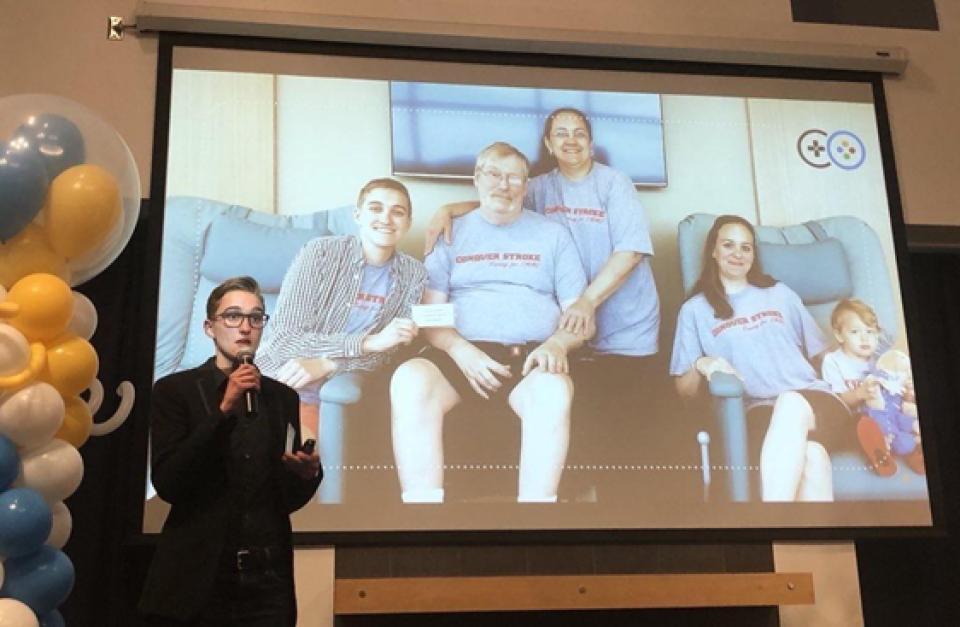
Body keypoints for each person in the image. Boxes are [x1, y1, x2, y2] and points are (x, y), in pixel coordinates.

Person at [390, 142, 589, 503]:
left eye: (514, 177)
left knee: (553, 391)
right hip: (460, 356)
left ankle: (536, 519)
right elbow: (430, 316)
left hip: (532, 358)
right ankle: (421, 515)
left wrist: (558, 343)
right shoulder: (449, 234)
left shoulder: (554, 235)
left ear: (526, 186)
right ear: (477, 179)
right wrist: (460, 350)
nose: (504, 184)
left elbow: (581, 316)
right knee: (410, 378)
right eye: (494, 175)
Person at [140, 276, 322, 626]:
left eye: (256, 318)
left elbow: (284, 499)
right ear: (210, 327)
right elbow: (169, 483)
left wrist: (306, 474)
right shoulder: (175, 391)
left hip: (268, 581)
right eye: (233, 316)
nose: (245, 327)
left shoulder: (282, 397)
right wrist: (222, 409)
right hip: (200, 578)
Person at [669, 215, 852, 502]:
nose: (738, 254)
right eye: (729, 245)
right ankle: (809, 545)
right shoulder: (695, 311)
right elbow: (685, 391)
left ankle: (770, 518)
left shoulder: (779, 293)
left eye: (746, 247)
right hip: (757, 412)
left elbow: (823, 355)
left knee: (790, 402)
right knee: (813, 457)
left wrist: (865, 377)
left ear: (754, 255)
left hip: (814, 400)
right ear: (713, 252)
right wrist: (702, 364)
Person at [257, 178, 428, 441]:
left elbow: (388, 352)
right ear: (357, 215)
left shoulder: (414, 274)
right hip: (275, 379)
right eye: (376, 208)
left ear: (408, 223)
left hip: (327, 394)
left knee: (298, 461)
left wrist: (328, 363)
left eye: (398, 211)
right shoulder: (320, 253)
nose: (386, 218)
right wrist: (369, 342)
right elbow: (283, 340)